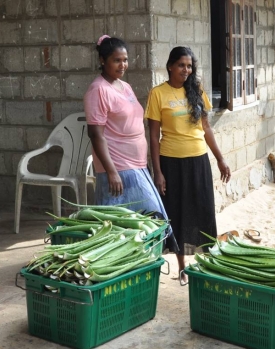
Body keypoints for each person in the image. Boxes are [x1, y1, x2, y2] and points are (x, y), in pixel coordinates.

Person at [145, 46, 230, 280]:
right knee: (178, 213)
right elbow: (153, 137)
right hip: (171, 162)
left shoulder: (197, 91)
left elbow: (206, 128)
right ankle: (182, 266)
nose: (186, 70)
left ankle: (205, 263)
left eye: (189, 66)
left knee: (203, 210)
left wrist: (220, 159)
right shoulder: (157, 94)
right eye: (181, 65)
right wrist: (158, 172)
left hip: (198, 160)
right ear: (170, 66)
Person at [84, 35, 175, 251]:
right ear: (102, 60)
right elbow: (96, 134)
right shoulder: (98, 90)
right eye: (117, 60)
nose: (123, 65)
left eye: (125, 60)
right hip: (119, 168)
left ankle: (138, 265)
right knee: (139, 218)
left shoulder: (123, 86)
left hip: (136, 165)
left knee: (136, 224)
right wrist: (111, 171)